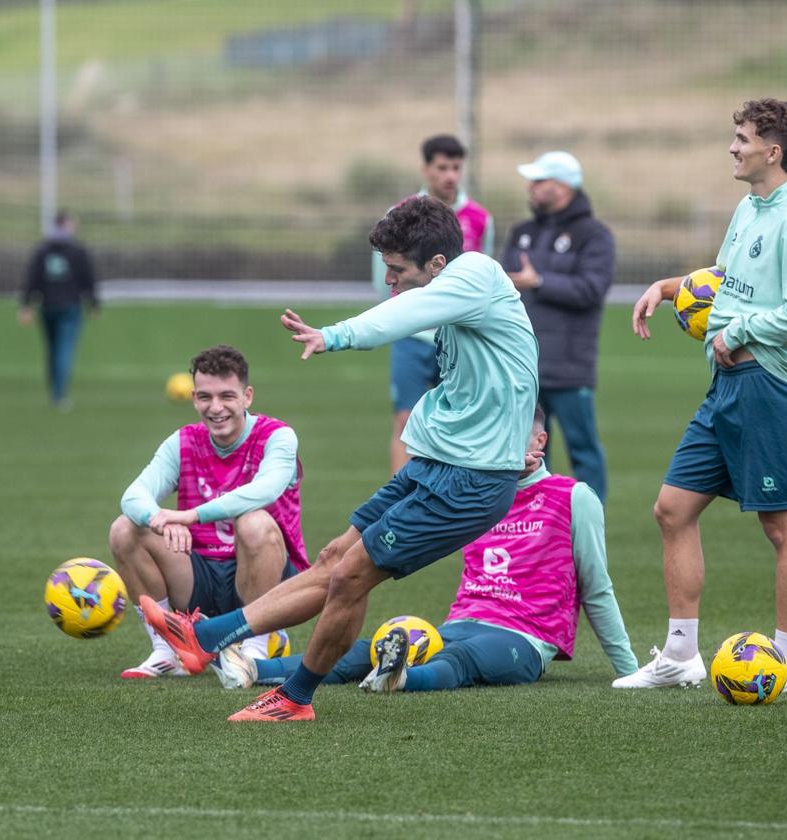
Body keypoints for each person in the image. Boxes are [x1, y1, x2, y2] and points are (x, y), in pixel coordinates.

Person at [142, 196, 539, 722]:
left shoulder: (478, 274)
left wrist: (335, 335)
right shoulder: (461, 293)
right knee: (334, 558)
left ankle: (294, 698)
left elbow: (403, 315)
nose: (390, 282)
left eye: (397, 270)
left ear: (437, 266)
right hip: (436, 466)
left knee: (352, 575)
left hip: (472, 481)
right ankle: (204, 637)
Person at [616, 99, 787, 693]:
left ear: (773, 152)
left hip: (772, 386)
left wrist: (737, 331)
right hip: (727, 385)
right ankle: (681, 655)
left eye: (742, 138)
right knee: (672, 509)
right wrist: (666, 285)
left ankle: (786, 663)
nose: (732, 147)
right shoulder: (748, 207)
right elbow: (726, 277)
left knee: (784, 527)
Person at [215, 407, 638, 693]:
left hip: (523, 639)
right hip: (462, 619)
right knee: (363, 648)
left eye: (512, 436)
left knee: (462, 658)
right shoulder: (475, 493)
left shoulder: (572, 496)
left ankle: (400, 680)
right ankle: (250, 669)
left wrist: (629, 673)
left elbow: (597, 588)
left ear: (539, 439)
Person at [109, 344, 308, 679]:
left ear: (247, 396)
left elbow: (266, 490)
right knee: (124, 529)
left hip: (270, 578)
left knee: (254, 523)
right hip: (199, 576)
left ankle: (255, 651)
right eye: (205, 397)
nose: (216, 408)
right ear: (193, 398)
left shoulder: (278, 436)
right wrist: (158, 520)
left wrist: (190, 516)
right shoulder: (183, 441)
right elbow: (134, 495)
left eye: (226, 396)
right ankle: (168, 650)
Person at [373, 134, 496, 475]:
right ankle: (400, 500)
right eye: (442, 167)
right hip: (412, 335)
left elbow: (484, 280)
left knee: (458, 421)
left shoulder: (479, 218)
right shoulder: (401, 215)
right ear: (425, 169)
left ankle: (448, 499)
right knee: (406, 420)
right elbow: (384, 279)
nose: (450, 176)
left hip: (458, 335)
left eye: (456, 168)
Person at [501, 150, 614, 503]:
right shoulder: (521, 232)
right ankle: (534, 525)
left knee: (583, 449)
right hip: (523, 366)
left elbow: (592, 289)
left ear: (563, 186)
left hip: (569, 365)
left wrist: (540, 282)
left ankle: (589, 520)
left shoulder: (594, 235)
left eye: (539, 180)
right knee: (526, 452)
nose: (531, 187)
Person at [18, 210, 98, 410]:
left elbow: (32, 277)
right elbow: (87, 277)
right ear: (67, 225)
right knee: (64, 349)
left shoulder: (43, 249)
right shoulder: (77, 250)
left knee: (52, 350)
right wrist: (94, 303)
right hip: (70, 306)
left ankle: (54, 389)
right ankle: (59, 393)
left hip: (47, 305)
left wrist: (26, 304)